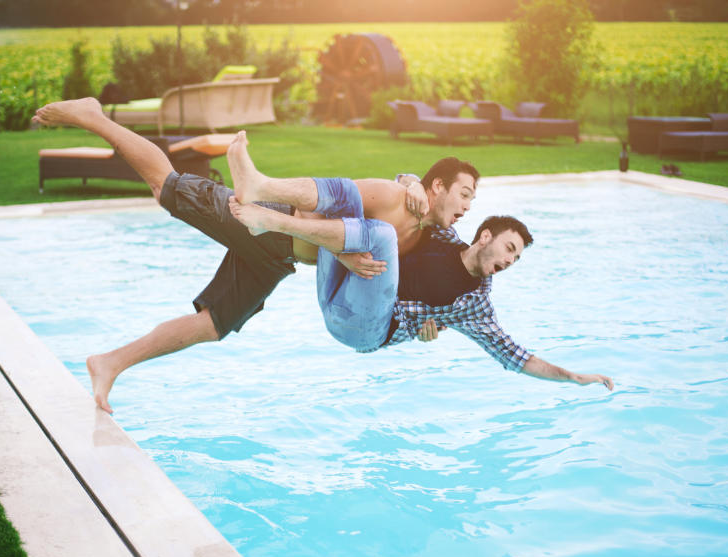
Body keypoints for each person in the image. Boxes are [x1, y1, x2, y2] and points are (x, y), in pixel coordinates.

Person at [30, 98, 477, 412]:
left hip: (277, 258)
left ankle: (109, 363)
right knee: (165, 187)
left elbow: (390, 291)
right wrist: (340, 255)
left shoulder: (421, 238)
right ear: (437, 186)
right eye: (464, 194)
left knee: (212, 324)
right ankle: (95, 117)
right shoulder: (390, 196)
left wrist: (420, 327)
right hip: (267, 219)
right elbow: (314, 204)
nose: (467, 207)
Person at [225, 135, 615, 391]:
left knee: (379, 235)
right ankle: (261, 186)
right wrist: (412, 181)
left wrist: (574, 377)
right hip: (337, 292)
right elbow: (416, 192)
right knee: (352, 201)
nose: (511, 260)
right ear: (484, 237)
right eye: (510, 248)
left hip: (364, 329)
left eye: (516, 257)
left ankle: (272, 221)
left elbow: (515, 356)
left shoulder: (475, 306)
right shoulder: (440, 235)